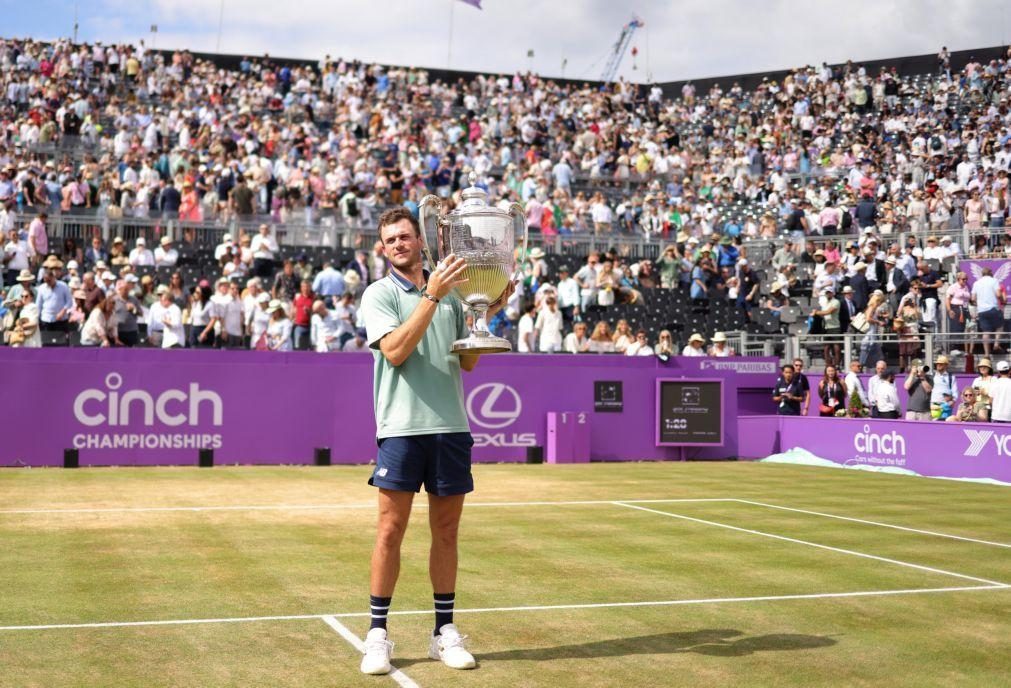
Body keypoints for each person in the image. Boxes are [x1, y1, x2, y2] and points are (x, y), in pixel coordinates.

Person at [359, 207, 509, 676]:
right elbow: (396, 351)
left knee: (446, 533)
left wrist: (486, 312)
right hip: (401, 429)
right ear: (383, 249)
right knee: (390, 531)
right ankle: (378, 634)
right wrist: (431, 294)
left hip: (450, 427)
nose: (399, 244)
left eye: (405, 236)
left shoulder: (454, 297)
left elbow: (466, 364)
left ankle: (444, 631)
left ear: (421, 242)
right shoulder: (379, 294)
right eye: (390, 240)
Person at [971, 267, 1004, 357]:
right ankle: (996, 344)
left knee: (986, 331)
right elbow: (998, 294)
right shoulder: (994, 281)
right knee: (1000, 326)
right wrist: (1002, 300)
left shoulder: (976, 283)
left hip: (981, 310)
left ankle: (986, 354)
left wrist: (979, 304)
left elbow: (973, 298)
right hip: (993, 307)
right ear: (990, 273)